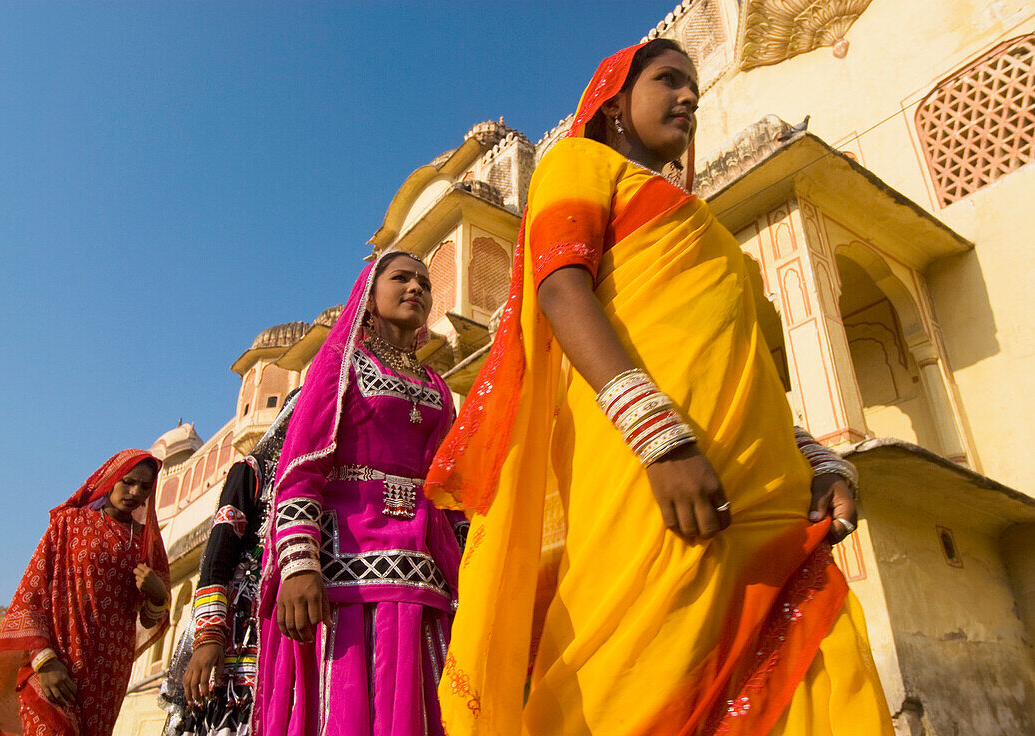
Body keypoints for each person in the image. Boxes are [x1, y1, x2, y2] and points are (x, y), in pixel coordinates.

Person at [425, 39, 895, 735]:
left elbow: (739, 365)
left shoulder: (698, 222)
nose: (688, 98)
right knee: (641, 674)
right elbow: (560, 290)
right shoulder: (578, 164)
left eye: (695, 89)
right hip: (655, 472)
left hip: (766, 494)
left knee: (822, 669)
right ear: (613, 104)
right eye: (668, 81)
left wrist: (819, 462)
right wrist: (661, 442)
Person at [253, 250, 466, 736]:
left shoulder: (436, 385)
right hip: (347, 572)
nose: (416, 288)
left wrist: (471, 559)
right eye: (401, 279)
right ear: (369, 298)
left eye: (425, 283)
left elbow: (447, 486)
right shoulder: (341, 368)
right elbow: (302, 469)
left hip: (425, 571)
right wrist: (299, 565)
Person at [0, 449, 171, 736]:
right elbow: (31, 593)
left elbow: (147, 621)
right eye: (129, 482)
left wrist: (159, 596)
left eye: (145, 487)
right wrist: (44, 661)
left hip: (106, 678)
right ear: (110, 479)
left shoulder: (146, 544)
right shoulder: (69, 524)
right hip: (56, 663)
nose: (135, 492)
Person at [159, 388, 301, 736]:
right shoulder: (253, 470)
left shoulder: (322, 478)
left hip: (291, 625)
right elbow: (219, 551)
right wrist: (209, 636)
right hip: (240, 625)